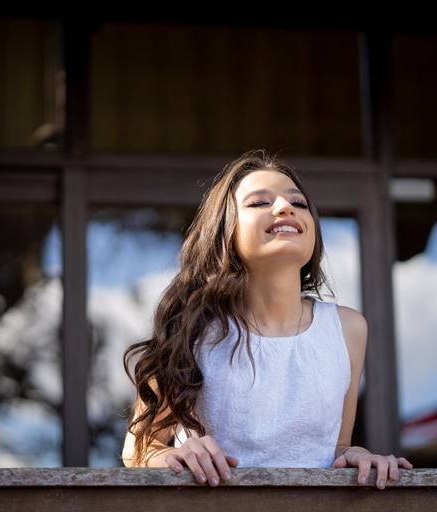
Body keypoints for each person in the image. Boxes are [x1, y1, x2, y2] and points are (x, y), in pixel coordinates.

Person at [122, 150, 412, 490]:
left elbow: (335, 448)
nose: (285, 207)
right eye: (260, 202)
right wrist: (174, 455)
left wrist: (356, 455)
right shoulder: (190, 327)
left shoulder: (348, 329)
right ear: (224, 230)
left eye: (299, 203)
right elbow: (138, 451)